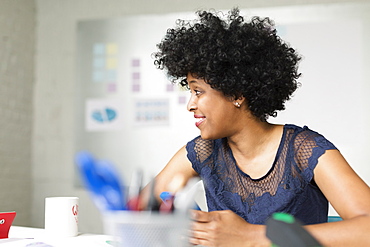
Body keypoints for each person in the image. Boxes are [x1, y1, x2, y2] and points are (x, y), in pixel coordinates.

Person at [141, 8, 370, 246]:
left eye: (198, 91)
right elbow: (139, 208)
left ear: (236, 94)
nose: (191, 104)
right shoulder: (204, 151)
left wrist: (252, 237)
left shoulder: (305, 149)